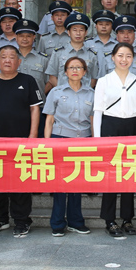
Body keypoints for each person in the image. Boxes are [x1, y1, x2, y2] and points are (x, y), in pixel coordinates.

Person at [0, 45, 42, 237]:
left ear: (18, 62)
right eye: (3, 56)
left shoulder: (28, 81)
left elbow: (35, 109)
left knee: (21, 181)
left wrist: (32, 136)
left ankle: (22, 220)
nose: (7, 60)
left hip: (21, 141)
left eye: (12, 57)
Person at [93, 42, 136, 237]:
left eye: (128, 56)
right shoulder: (104, 81)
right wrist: (97, 139)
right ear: (113, 57)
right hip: (110, 126)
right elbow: (98, 111)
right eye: (120, 55)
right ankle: (110, 220)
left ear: (133, 59)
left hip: (132, 127)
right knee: (111, 175)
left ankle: (127, 218)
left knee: (130, 174)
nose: (124, 60)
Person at [44, 57, 94, 236]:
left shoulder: (91, 93)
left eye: (79, 67)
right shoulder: (56, 92)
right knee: (60, 184)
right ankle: (57, 223)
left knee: (77, 183)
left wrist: (96, 142)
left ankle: (76, 222)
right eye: (71, 67)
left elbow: (92, 121)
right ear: (65, 72)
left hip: (83, 141)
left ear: (84, 72)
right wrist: (47, 143)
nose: (75, 70)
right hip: (60, 140)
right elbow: (49, 119)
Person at [45, 12, 99, 88]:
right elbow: (52, 77)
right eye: (74, 30)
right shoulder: (58, 52)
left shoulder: (91, 54)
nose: (78, 33)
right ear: (69, 32)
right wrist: (63, 91)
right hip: (63, 94)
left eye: (81, 30)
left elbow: (93, 79)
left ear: (86, 33)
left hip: (84, 94)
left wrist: (84, 92)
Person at [14, 19, 49, 95]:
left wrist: (39, 95)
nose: (25, 39)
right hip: (14, 101)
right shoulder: (10, 58)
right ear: (16, 37)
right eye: (21, 36)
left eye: (28, 36)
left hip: (38, 101)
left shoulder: (43, 59)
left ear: (34, 37)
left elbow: (49, 82)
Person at [87, 10, 118, 78]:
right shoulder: (87, 44)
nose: (104, 27)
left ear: (111, 26)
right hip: (91, 82)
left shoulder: (117, 46)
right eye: (100, 24)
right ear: (96, 26)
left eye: (107, 24)